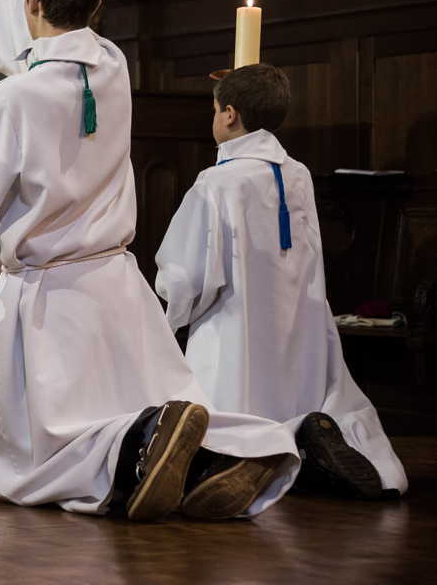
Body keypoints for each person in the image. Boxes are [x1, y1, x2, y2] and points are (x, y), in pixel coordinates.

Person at [0, 0, 300, 522]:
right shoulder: (111, 65)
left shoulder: (15, 98)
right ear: (98, 4)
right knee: (150, 396)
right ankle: (216, 457)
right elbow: (52, 39)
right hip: (115, 283)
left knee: (43, 454)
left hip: (50, 299)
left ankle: (137, 454)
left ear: (31, 0)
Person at [155, 63, 408, 499]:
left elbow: (186, 275)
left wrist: (170, 315)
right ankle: (301, 444)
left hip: (236, 335)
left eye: (215, 109)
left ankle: (244, 457)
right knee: (306, 397)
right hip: (300, 331)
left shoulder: (217, 183)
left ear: (230, 114)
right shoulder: (298, 174)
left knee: (202, 413)